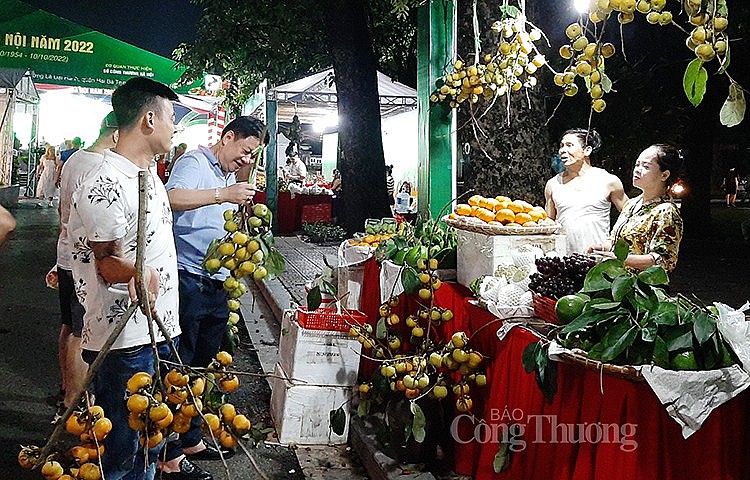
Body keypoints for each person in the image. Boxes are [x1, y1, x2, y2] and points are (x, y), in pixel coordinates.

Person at [67, 77, 181, 480]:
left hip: (159, 327)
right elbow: (107, 263)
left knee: (149, 439)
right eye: (172, 117)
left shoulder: (147, 176)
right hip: (125, 339)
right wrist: (140, 271)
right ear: (149, 119)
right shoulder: (104, 181)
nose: (175, 126)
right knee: (120, 450)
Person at [161, 116, 268, 479]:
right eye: (245, 150)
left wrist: (239, 180)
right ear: (227, 137)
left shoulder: (229, 172)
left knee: (201, 368)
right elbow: (171, 199)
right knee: (179, 366)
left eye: (254, 155)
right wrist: (223, 194)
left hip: (218, 282)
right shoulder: (193, 162)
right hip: (189, 278)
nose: (247, 158)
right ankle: (169, 454)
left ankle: (189, 437)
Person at [55, 111, 119, 414]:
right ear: (118, 134)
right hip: (83, 261)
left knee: (69, 327)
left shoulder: (74, 160)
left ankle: (68, 388)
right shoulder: (99, 167)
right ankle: (75, 403)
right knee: (82, 333)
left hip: (65, 254)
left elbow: (61, 212)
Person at [588, 144, 684, 273]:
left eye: (646, 166)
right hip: (616, 281)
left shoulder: (666, 211)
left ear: (664, 175)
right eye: (637, 164)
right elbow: (616, 241)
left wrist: (621, 259)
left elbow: (663, 261)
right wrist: (600, 249)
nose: (637, 170)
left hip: (642, 288)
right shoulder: (631, 204)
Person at [545, 128, 628, 254]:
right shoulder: (553, 184)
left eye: (569, 145)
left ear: (587, 150)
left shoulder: (608, 181)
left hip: (598, 259)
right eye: (561, 146)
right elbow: (548, 224)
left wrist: (613, 243)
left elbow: (630, 217)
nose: (563, 150)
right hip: (563, 260)